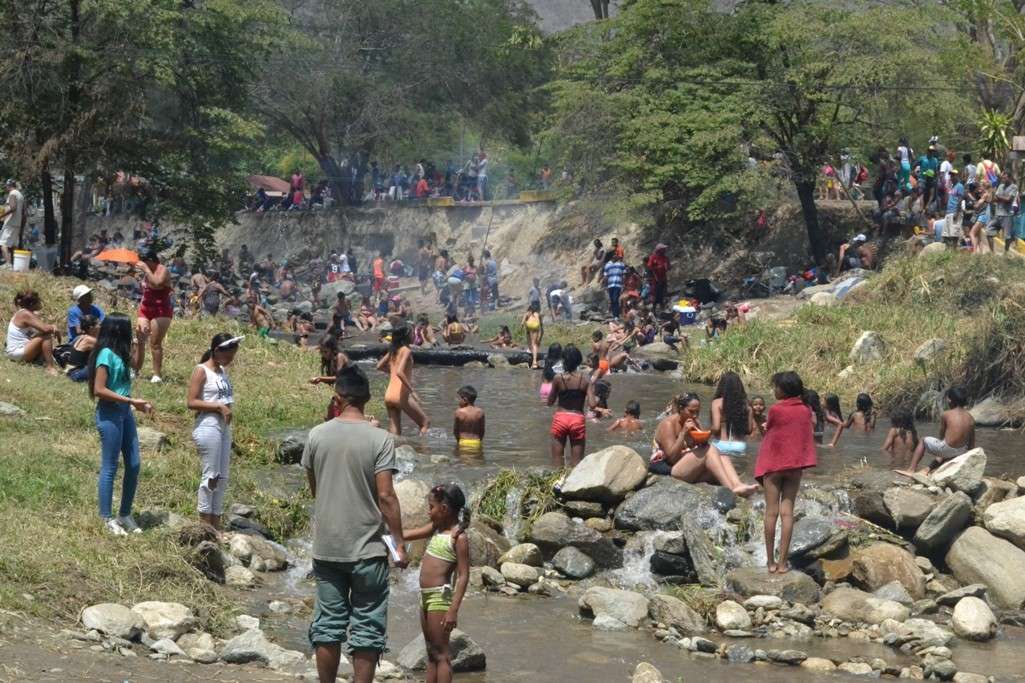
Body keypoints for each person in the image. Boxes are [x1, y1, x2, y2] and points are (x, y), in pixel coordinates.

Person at [302, 365, 408, 683]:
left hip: (328, 547)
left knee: (328, 625)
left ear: (337, 398)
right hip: (368, 549)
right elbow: (387, 496)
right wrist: (399, 542)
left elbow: (315, 488)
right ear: (368, 399)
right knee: (367, 627)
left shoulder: (317, 435)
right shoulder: (380, 439)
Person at [88, 314, 153, 535]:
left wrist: (142, 342)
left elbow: (138, 365)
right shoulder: (105, 354)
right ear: (118, 331)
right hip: (110, 414)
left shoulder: (121, 353)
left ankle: (124, 513)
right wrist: (132, 401)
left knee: (134, 464)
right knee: (110, 466)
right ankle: (106, 517)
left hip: (125, 413)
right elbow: (99, 390)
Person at [402, 485, 471, 683]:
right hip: (425, 597)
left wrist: (453, 610)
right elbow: (409, 534)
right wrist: (392, 535)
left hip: (439, 598)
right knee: (431, 652)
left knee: (442, 655)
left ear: (444, 509)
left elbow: (464, 576)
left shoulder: (459, 537)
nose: (428, 511)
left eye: (431, 507)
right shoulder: (436, 529)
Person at [755, 371, 816, 574]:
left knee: (771, 513)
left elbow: (771, 435)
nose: (774, 390)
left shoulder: (775, 410)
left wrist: (764, 428)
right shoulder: (805, 410)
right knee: (787, 513)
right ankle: (783, 564)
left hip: (773, 467)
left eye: (776, 387)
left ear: (783, 389)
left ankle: (770, 562)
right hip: (794, 467)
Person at [650, 394, 758, 496]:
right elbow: (671, 458)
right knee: (710, 449)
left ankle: (737, 484)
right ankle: (731, 489)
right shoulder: (668, 424)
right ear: (681, 409)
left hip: (687, 467)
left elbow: (703, 448)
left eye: (697, 412)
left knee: (720, 453)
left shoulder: (695, 422)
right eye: (691, 411)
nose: (695, 415)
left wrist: (703, 440)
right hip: (670, 470)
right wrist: (683, 433)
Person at [187, 334, 241, 530]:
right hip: (208, 424)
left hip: (224, 427)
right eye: (228, 356)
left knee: (222, 476)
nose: (230, 360)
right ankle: (205, 526)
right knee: (211, 475)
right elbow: (191, 402)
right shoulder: (201, 371)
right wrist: (218, 407)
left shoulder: (222, 371)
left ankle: (216, 526)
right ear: (216, 351)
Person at [901, 386, 975, 474]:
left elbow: (942, 436)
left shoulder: (946, 414)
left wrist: (944, 447)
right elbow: (971, 443)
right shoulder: (971, 418)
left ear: (950, 400)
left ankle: (911, 469)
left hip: (947, 449)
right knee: (945, 453)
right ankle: (927, 469)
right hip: (961, 451)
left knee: (923, 440)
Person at [376, 325, 430, 436]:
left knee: (395, 432)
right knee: (425, 423)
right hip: (401, 396)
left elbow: (379, 366)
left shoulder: (393, 350)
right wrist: (412, 391)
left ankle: (393, 450)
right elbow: (400, 372)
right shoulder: (406, 350)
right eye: (411, 333)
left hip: (389, 395)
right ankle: (422, 451)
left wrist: (391, 371)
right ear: (406, 336)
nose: (413, 335)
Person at [546, 344, 590, 468]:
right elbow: (592, 403)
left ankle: (557, 482)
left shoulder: (558, 378)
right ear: (578, 361)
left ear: (564, 360)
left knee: (557, 460)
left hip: (561, 419)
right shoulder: (585, 379)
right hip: (577, 419)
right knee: (576, 462)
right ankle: (573, 484)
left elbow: (550, 402)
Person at [134, 249, 173, 383]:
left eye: (143, 262)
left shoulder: (163, 270)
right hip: (145, 308)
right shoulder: (144, 272)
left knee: (155, 343)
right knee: (139, 340)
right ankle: (135, 370)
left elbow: (157, 283)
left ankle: (157, 374)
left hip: (161, 310)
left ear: (150, 261)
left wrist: (146, 269)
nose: (140, 265)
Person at [6, 289, 60, 374]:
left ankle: (41, 361)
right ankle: (50, 368)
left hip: (19, 351)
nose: (40, 303)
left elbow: (40, 330)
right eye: (39, 301)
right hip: (17, 352)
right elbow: (45, 329)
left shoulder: (26, 313)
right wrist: (54, 327)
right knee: (46, 335)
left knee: (43, 335)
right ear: (32, 304)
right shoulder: (25, 314)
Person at [709, 371, 756, 456]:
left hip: (720, 445)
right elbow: (749, 430)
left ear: (722, 386)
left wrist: (707, 432)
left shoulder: (717, 403)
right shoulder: (746, 404)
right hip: (739, 446)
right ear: (739, 386)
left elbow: (716, 428)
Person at [65, 314, 100, 381]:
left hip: (71, 371)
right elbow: (108, 349)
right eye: (98, 324)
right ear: (91, 328)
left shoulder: (80, 337)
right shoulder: (90, 340)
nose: (100, 326)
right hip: (77, 373)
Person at [993, 171, 1020, 254]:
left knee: (1007, 235)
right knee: (990, 231)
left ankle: (1006, 252)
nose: (1003, 179)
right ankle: (992, 251)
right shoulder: (1001, 186)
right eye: (1002, 178)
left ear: (1010, 178)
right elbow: (995, 198)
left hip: (1007, 214)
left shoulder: (1014, 187)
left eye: (1005, 178)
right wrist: (1001, 198)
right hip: (998, 212)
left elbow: (1008, 200)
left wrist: (999, 197)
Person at [452, 386, 485, 453]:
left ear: (465, 400)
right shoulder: (480, 412)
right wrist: (479, 440)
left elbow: (455, 430)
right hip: (476, 442)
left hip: (463, 442)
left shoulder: (459, 412)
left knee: (462, 462)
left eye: (459, 399)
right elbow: (482, 430)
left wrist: (458, 441)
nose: (458, 401)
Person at [0, 179, 25, 266]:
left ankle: (8, 264)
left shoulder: (12, 193)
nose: (6, 188)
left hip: (10, 223)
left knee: (3, 244)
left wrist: (1, 215)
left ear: (9, 186)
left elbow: (13, 207)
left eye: (6, 186)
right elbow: (23, 212)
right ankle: (17, 265)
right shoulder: (20, 195)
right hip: (17, 223)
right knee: (13, 246)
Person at [601, 250, 626, 319]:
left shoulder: (621, 264)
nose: (617, 256)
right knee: (612, 300)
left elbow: (623, 275)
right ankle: (614, 314)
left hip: (618, 285)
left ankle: (616, 315)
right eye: (615, 254)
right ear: (612, 256)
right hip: (610, 285)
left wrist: (623, 284)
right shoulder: (607, 265)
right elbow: (605, 276)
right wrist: (605, 286)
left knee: (615, 299)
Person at [645, 244, 671, 310]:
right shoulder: (653, 257)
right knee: (655, 295)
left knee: (663, 295)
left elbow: (669, 267)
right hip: (655, 280)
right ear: (659, 250)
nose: (664, 250)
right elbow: (649, 267)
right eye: (663, 249)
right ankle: (653, 310)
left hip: (663, 279)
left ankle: (663, 310)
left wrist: (667, 266)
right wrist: (657, 267)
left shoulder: (665, 258)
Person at [521, 302, 543, 368]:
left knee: (531, 341)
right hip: (536, 327)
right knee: (535, 343)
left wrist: (524, 325)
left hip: (530, 327)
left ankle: (534, 361)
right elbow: (541, 325)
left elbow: (522, 323)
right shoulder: (538, 314)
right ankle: (533, 355)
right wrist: (540, 335)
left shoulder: (527, 313)